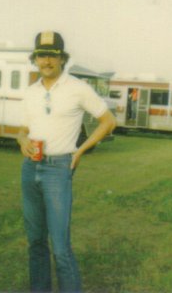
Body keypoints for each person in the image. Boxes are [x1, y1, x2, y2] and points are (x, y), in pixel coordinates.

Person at [17, 31, 116, 293]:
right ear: (35, 58)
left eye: (52, 55)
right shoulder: (31, 91)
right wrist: (20, 139)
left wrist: (80, 150)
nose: (46, 61)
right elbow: (24, 128)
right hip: (30, 168)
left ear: (62, 58)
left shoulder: (78, 88)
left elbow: (108, 121)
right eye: (41, 55)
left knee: (60, 248)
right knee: (36, 242)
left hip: (58, 170)